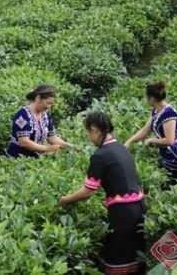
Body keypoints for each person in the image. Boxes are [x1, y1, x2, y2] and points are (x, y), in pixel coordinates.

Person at [58, 112, 145, 275]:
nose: (88, 137)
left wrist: (65, 199)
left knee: (118, 257)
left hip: (123, 213)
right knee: (135, 254)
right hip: (139, 208)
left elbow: (88, 192)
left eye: (87, 133)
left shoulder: (100, 155)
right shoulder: (121, 148)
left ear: (93, 129)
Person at [124, 81, 177, 182]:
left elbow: (169, 140)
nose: (145, 100)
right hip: (167, 155)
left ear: (152, 99)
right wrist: (129, 141)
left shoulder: (168, 114)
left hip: (176, 156)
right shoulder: (156, 111)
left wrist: (151, 140)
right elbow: (145, 130)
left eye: (146, 97)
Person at [5, 84, 71, 158]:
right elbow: (24, 142)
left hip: (33, 158)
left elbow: (52, 138)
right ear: (38, 98)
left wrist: (71, 147)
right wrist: (47, 148)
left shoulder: (45, 116)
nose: (49, 107)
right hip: (17, 159)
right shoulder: (22, 115)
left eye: (51, 104)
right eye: (48, 103)